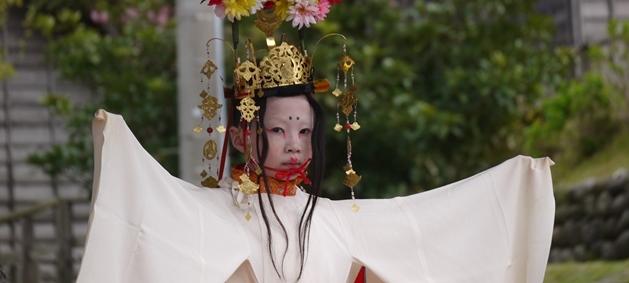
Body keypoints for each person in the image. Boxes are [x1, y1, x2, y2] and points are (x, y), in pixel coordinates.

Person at [76, 81, 555, 282]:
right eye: (279, 130)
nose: (295, 144)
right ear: (244, 136)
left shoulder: (329, 218)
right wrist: (118, 141)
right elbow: (149, 213)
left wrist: (519, 183)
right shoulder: (208, 211)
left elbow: (418, 225)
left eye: (304, 131)